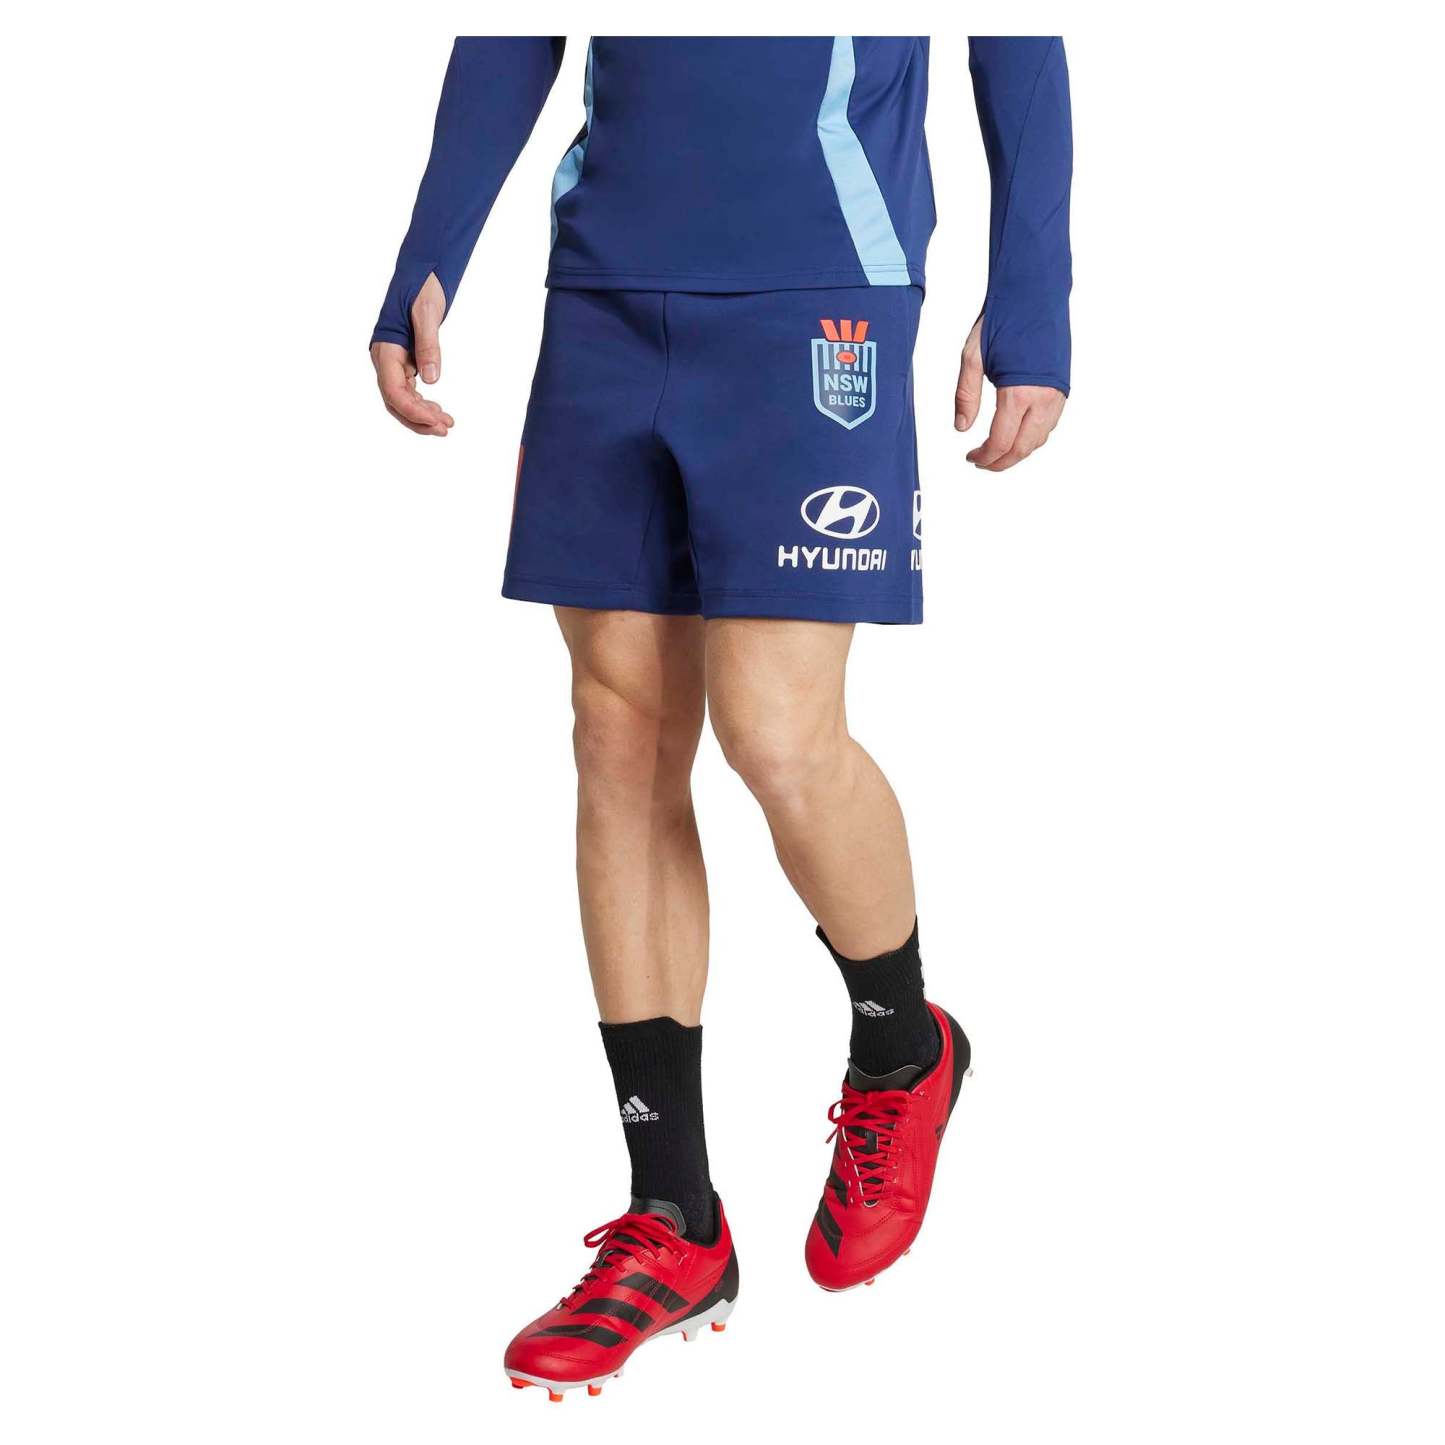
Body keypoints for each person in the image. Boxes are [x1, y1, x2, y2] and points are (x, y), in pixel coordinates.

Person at [370, 35, 1072, 1402]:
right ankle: (674, 1218)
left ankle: (902, 1043)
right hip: (608, 286)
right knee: (617, 730)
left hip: (821, 283)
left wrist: (1029, 289)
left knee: (775, 727)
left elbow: (1018, 38)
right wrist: (429, 250)